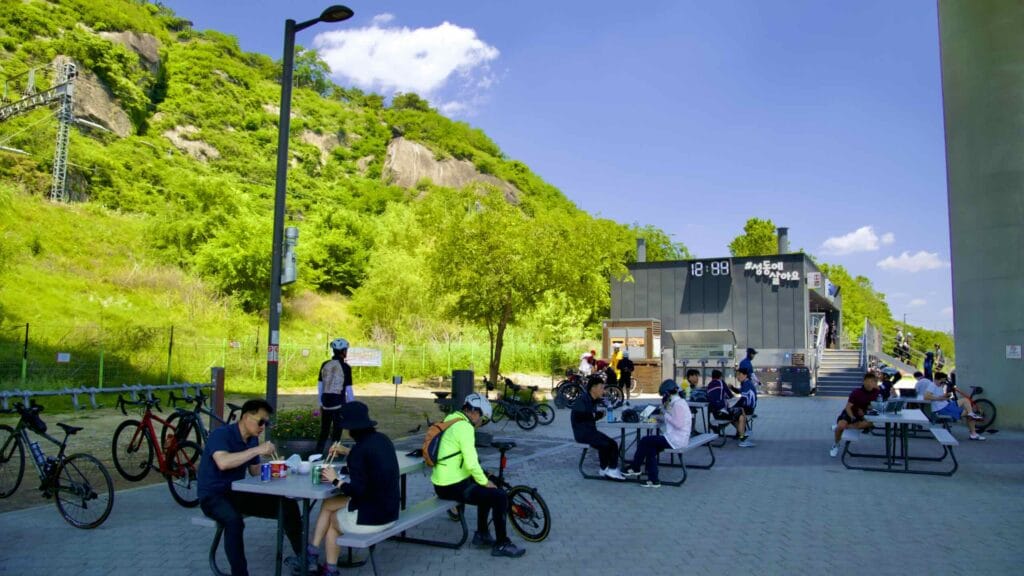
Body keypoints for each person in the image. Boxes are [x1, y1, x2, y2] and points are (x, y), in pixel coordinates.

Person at [198, 399, 309, 576]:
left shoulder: (252, 439)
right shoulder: (221, 434)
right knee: (234, 521)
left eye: (266, 423)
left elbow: (255, 471)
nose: (263, 427)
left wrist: (281, 466)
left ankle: (305, 561)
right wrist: (257, 451)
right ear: (246, 417)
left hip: (237, 492)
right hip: (213, 495)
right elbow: (223, 462)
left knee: (287, 505)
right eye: (261, 421)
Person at [309, 402, 399, 576]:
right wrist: (347, 451)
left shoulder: (359, 451)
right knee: (328, 503)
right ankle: (311, 552)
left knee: (333, 522)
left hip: (374, 517)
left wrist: (335, 480)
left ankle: (329, 569)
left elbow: (356, 491)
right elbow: (369, 457)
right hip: (390, 510)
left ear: (350, 429)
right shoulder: (383, 440)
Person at [432, 393, 526, 558]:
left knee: (486, 489)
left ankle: (482, 534)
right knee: (499, 496)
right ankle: (502, 544)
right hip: (452, 485)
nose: (480, 424)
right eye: (483, 420)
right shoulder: (465, 427)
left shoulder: (453, 418)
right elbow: (471, 462)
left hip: (444, 482)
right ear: (475, 413)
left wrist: (483, 480)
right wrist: (484, 480)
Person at [629, 379, 691, 488]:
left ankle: (635, 467)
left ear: (667, 394)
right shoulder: (679, 402)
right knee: (650, 448)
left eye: (663, 396)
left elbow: (679, 424)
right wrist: (662, 417)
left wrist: (665, 414)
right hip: (677, 438)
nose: (663, 399)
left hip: (676, 440)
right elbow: (674, 418)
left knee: (645, 440)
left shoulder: (677, 405)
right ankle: (653, 480)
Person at [570, 375, 626, 480]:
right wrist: (595, 415)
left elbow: (589, 416)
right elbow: (579, 416)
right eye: (601, 388)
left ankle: (604, 469)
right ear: (593, 388)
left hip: (590, 431)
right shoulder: (582, 399)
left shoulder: (593, 399)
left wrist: (598, 414)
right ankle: (612, 469)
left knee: (608, 443)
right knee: (610, 444)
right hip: (583, 434)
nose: (603, 390)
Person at [315, 338, 353, 455]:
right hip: (339, 404)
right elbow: (348, 389)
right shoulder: (346, 367)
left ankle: (317, 454)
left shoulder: (325, 364)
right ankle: (334, 455)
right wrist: (351, 404)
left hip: (326, 403)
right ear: (344, 352)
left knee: (324, 431)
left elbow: (320, 386)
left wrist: (321, 403)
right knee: (337, 432)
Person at [829, 372, 880, 457]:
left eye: (871, 382)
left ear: (875, 383)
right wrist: (852, 417)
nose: (869, 384)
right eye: (867, 381)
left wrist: (865, 412)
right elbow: (848, 407)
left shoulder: (876, 392)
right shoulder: (857, 392)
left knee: (870, 423)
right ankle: (836, 444)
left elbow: (879, 403)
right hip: (850, 413)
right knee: (841, 426)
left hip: (863, 415)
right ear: (863, 382)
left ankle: (844, 427)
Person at [926, 372, 985, 440]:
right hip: (942, 409)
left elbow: (938, 396)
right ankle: (973, 433)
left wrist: (945, 396)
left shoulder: (939, 385)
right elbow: (926, 396)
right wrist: (940, 398)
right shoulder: (932, 386)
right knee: (969, 414)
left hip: (947, 405)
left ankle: (971, 415)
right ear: (937, 379)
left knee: (965, 400)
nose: (944, 382)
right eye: (943, 380)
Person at [706, 369, 749, 446]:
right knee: (740, 412)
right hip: (722, 412)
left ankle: (741, 433)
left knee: (734, 416)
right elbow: (730, 395)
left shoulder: (709, 385)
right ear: (720, 377)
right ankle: (742, 436)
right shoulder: (721, 382)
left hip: (715, 413)